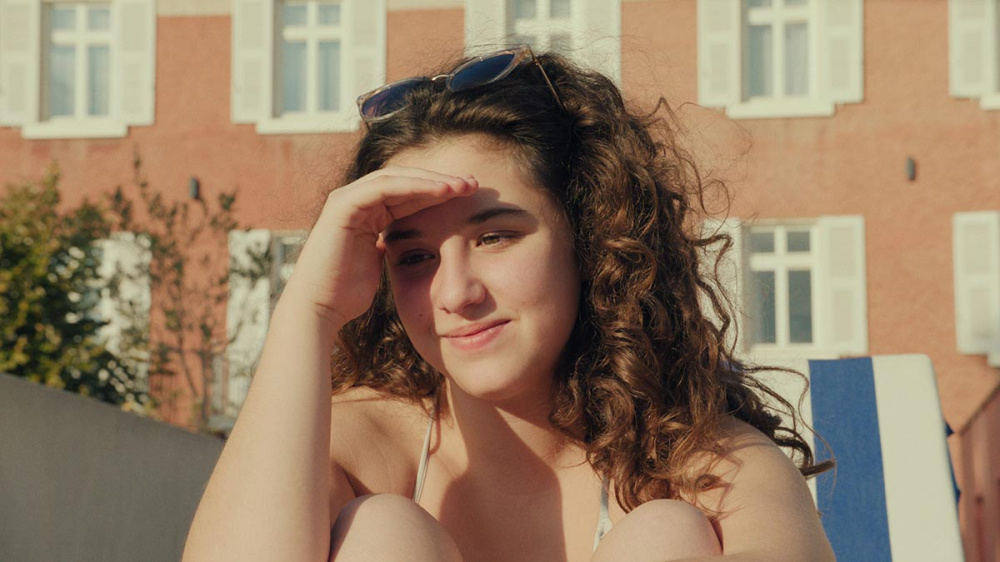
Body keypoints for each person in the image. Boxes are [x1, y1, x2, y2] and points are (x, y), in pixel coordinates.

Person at [182, 46, 835, 562]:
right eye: (414, 257)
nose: (455, 293)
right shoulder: (362, 448)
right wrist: (308, 312)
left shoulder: (704, 462)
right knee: (382, 532)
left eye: (494, 237)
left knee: (665, 534)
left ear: (589, 238)